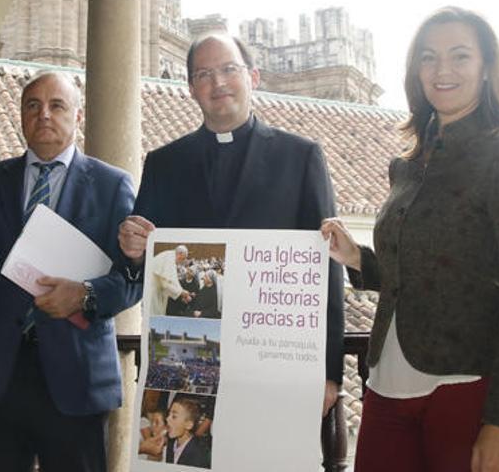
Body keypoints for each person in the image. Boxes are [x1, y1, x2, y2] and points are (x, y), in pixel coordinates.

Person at [321, 6, 499, 472]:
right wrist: (358, 259)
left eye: (460, 56)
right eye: (429, 57)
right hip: (386, 388)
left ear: (487, 68)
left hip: (469, 390)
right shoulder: (407, 165)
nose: (442, 70)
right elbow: (422, 272)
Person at [119, 33, 345, 414]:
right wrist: (133, 253)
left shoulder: (301, 157)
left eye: (228, 70)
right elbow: (144, 273)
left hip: (276, 363)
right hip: (189, 365)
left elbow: (327, 268)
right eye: (204, 74)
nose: (218, 83)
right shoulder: (163, 164)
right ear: (191, 89)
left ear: (253, 77)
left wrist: (329, 372)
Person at [0, 71, 141, 472]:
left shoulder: (112, 185)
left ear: (78, 116)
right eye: (32, 106)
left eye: (57, 105)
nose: (44, 115)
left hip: (77, 380)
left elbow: (131, 281)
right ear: (21, 116)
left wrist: (86, 295)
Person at [164, 398, 211, 468]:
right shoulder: (170, 443)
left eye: (174, 416)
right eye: (168, 414)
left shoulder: (200, 455)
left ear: (188, 425)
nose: (167, 419)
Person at [149, 245, 194, 316]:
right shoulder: (168, 259)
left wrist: (181, 291)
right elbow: (165, 284)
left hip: (158, 290)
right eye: (183, 258)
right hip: (153, 292)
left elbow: (173, 280)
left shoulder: (170, 257)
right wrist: (181, 292)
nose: (182, 261)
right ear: (180, 254)